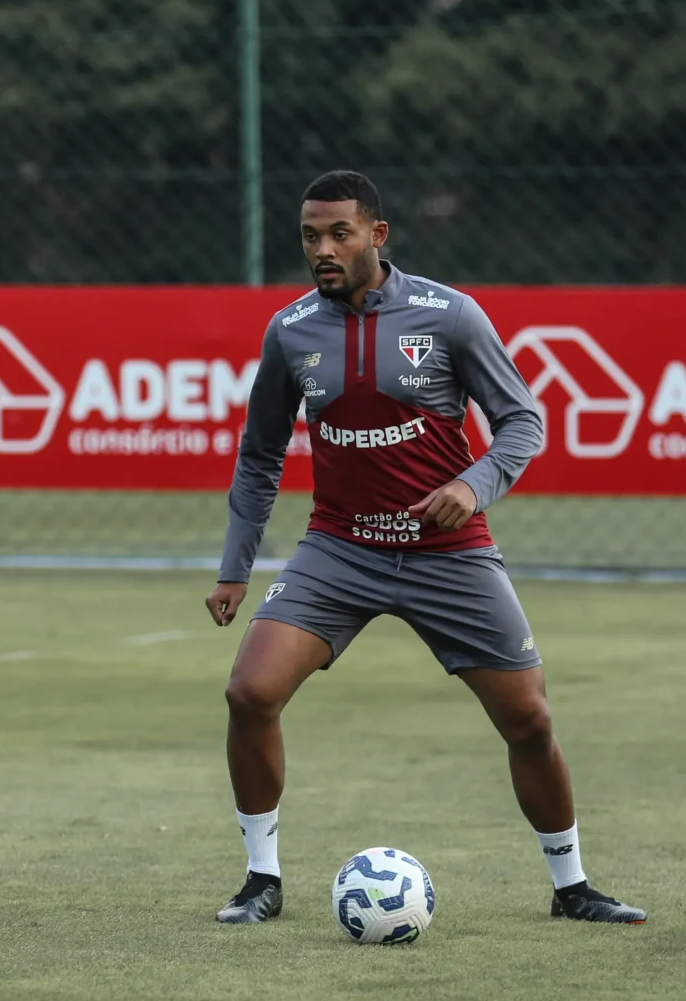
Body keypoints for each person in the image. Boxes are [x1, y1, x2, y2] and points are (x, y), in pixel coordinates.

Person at [205, 170, 646, 926]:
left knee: (529, 721)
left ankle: (572, 887)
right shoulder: (290, 330)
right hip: (339, 549)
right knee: (250, 693)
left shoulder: (451, 316)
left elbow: (522, 421)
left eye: (339, 233)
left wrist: (472, 487)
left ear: (377, 235)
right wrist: (233, 568)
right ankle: (261, 880)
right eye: (310, 236)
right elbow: (259, 454)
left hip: (450, 553)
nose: (322, 249)